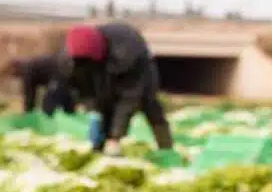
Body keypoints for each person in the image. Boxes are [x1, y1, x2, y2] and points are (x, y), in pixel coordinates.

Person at [58, 22, 174, 155]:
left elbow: (129, 98)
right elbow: (82, 89)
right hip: (102, 76)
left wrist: (115, 137)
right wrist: (93, 111)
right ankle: (98, 150)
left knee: (150, 106)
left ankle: (167, 149)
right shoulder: (72, 61)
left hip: (140, 73)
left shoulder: (127, 49)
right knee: (104, 109)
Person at [1, 54, 76, 116]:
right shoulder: (30, 65)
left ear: (15, 70)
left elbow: (30, 97)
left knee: (48, 105)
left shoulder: (27, 71)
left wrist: (27, 116)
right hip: (67, 72)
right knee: (67, 105)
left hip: (60, 74)